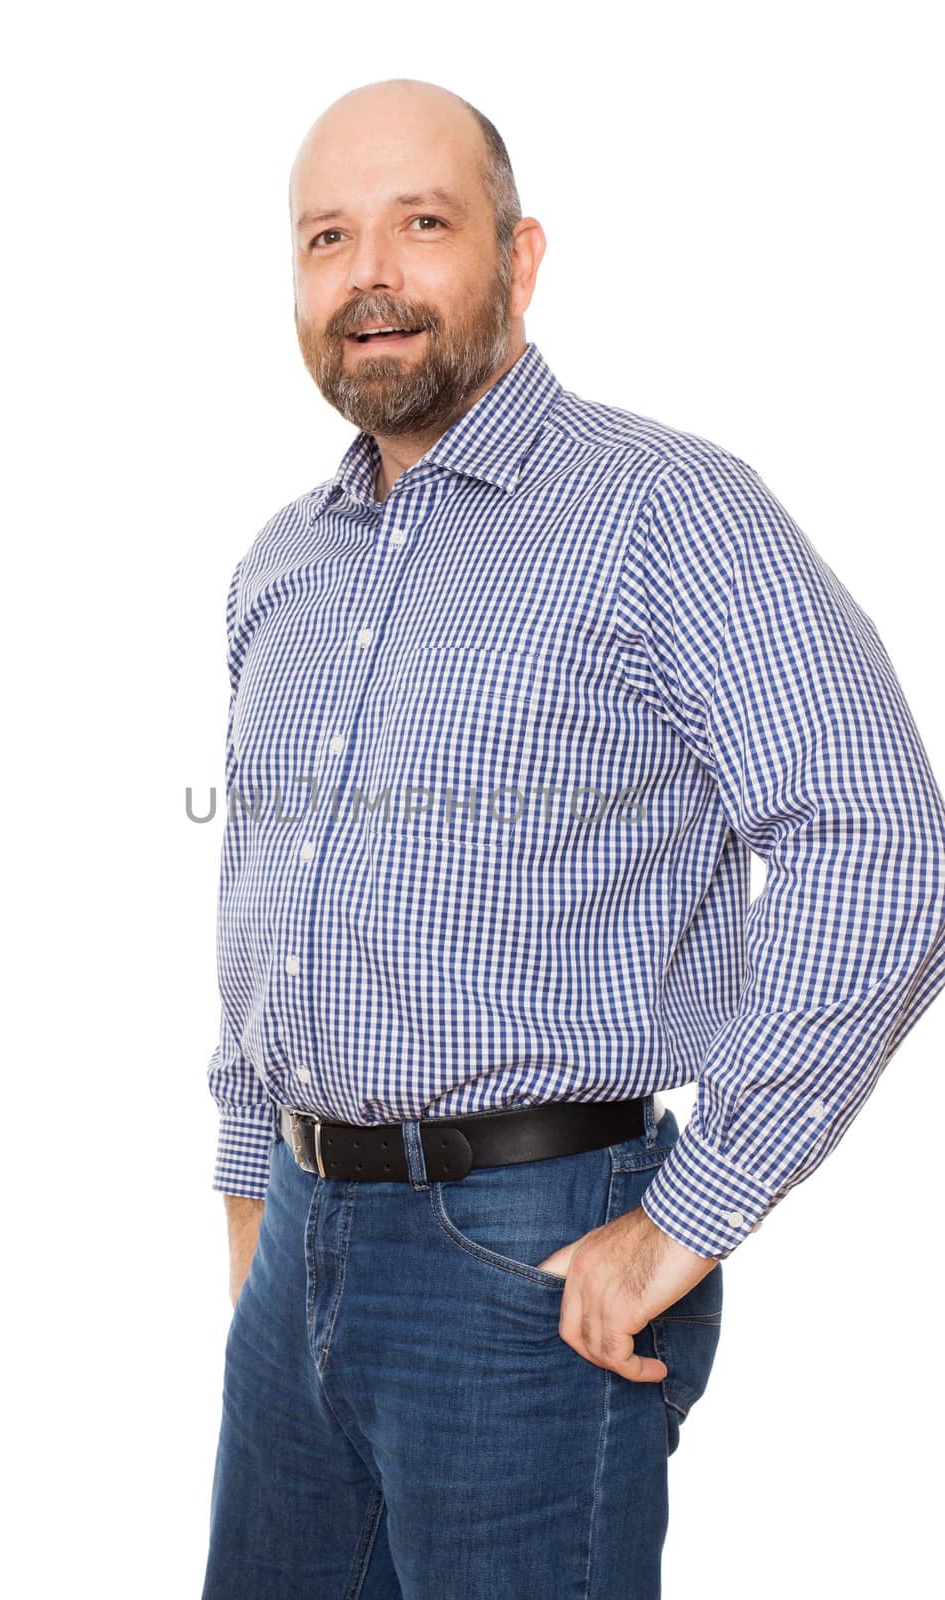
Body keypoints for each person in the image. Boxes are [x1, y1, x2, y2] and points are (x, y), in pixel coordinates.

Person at [199, 77, 945, 1599]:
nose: (372, 277)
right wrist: (254, 1212)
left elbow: (881, 843)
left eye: (423, 224)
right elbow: (257, 898)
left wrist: (691, 1218)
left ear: (520, 258)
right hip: (296, 1259)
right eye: (327, 237)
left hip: (528, 1259)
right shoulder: (280, 563)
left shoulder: (666, 511)